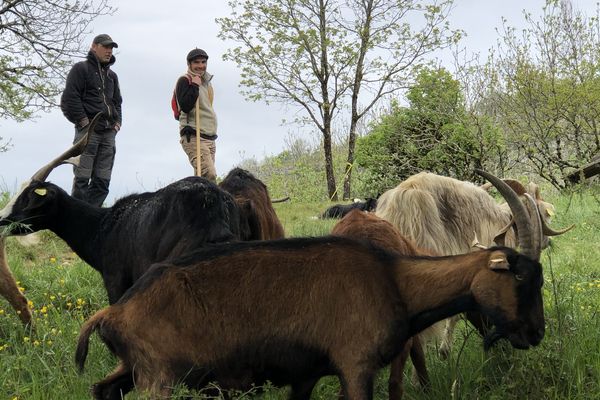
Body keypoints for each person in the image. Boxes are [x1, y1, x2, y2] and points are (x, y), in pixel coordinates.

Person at [60, 33, 122, 207]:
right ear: (94, 46)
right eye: (105, 47)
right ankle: (76, 220)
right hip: (88, 132)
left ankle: (92, 219)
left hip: (109, 132)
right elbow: (69, 99)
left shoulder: (112, 76)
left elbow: (117, 102)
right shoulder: (81, 69)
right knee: (82, 178)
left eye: (111, 48)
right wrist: (83, 122)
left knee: (102, 181)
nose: (109, 51)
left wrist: (117, 124)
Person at [174, 48, 218, 182]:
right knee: (209, 174)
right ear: (189, 64)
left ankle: (196, 204)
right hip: (193, 135)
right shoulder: (184, 80)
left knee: (203, 182)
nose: (200, 66)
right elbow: (186, 106)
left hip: (209, 137)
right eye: (196, 62)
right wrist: (194, 85)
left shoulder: (207, 84)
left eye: (203, 62)